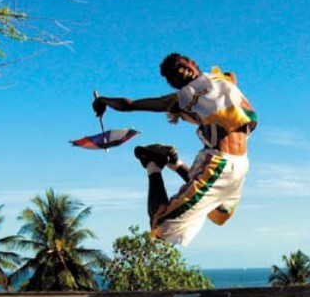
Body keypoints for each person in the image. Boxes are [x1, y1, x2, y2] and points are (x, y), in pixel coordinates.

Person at [92, 53, 257, 246]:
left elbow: (229, 84)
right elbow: (129, 105)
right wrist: (103, 100)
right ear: (175, 84)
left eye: (179, 65)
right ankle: (152, 163)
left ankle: (174, 163)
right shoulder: (182, 97)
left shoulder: (220, 78)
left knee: (220, 215)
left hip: (241, 164)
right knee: (162, 226)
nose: (177, 71)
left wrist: (182, 112)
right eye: (172, 75)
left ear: (192, 63)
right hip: (218, 163)